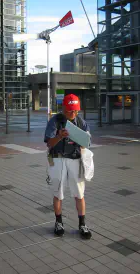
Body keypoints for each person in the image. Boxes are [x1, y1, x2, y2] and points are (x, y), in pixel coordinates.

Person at [44, 94, 92, 239]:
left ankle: (82, 224)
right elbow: (49, 143)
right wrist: (59, 136)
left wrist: (81, 140)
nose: (73, 113)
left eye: (76, 110)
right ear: (64, 108)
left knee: (79, 193)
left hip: (75, 159)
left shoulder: (81, 122)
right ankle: (58, 222)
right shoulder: (55, 121)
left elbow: (87, 143)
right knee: (58, 192)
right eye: (70, 110)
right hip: (58, 159)